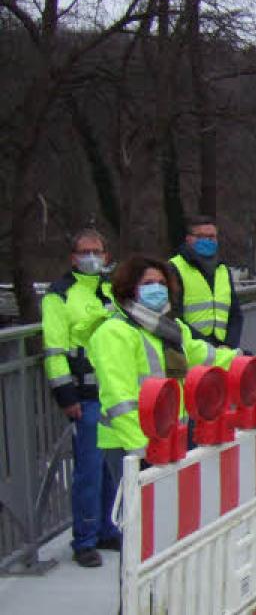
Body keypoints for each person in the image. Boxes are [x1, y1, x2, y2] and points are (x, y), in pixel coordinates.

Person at [88, 255, 238, 504]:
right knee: (140, 523)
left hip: (168, 436)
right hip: (131, 445)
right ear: (130, 288)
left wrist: (240, 360)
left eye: (161, 283)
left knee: (168, 516)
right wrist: (140, 449)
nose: (156, 288)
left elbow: (200, 355)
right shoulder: (115, 333)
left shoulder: (170, 327)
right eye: (148, 283)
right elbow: (119, 398)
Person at [41, 229, 120, 568]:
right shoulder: (59, 296)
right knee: (87, 469)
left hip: (113, 392)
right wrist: (65, 395)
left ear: (105, 256)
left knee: (106, 468)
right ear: (73, 257)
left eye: (97, 251)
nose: (92, 257)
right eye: (85, 251)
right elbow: (55, 350)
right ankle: (84, 539)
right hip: (84, 396)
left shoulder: (111, 291)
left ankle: (105, 528)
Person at [168, 215, 243, 348]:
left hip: (223, 349)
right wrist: (207, 347)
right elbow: (174, 316)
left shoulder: (222, 269)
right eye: (201, 236)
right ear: (188, 239)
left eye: (211, 237)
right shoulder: (175, 268)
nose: (207, 241)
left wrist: (229, 345)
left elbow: (235, 314)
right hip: (191, 349)